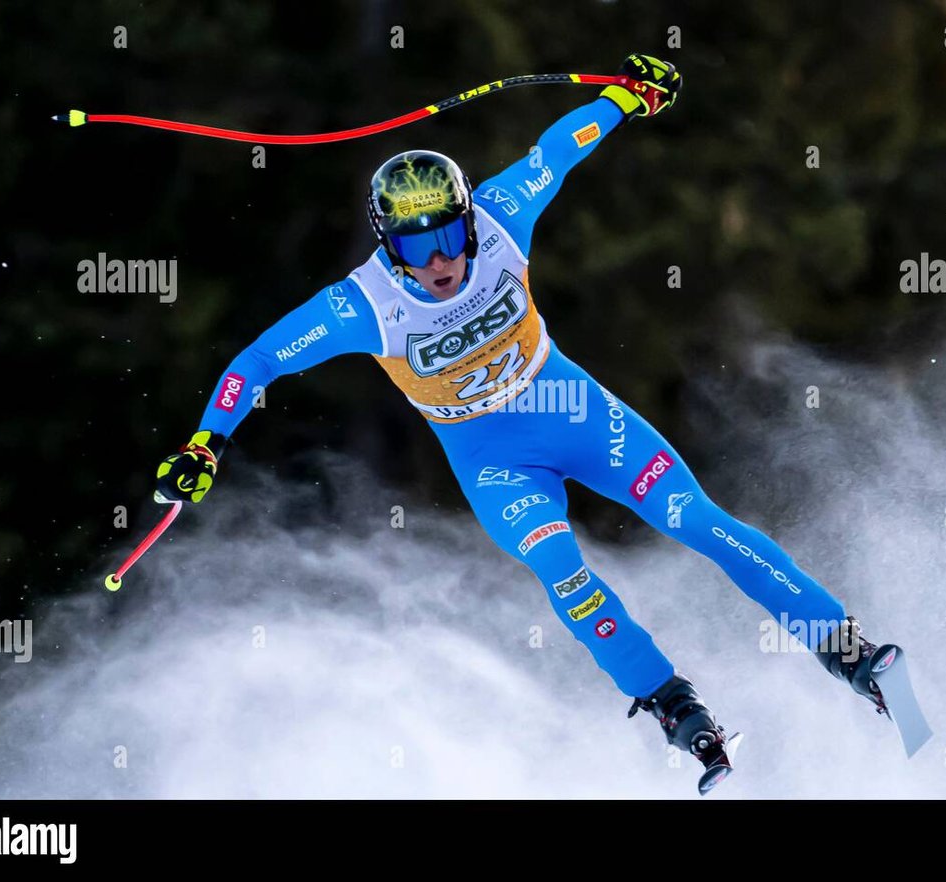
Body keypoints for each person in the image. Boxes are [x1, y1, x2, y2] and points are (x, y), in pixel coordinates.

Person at [153, 54, 885, 794]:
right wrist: (204, 444)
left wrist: (625, 99)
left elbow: (556, 152)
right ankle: (672, 704)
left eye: (448, 235)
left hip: (574, 411)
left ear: (468, 218)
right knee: (563, 569)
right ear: (388, 247)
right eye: (415, 246)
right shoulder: (363, 305)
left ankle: (838, 641)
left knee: (691, 518)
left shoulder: (501, 219)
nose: (440, 259)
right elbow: (257, 361)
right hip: (493, 459)